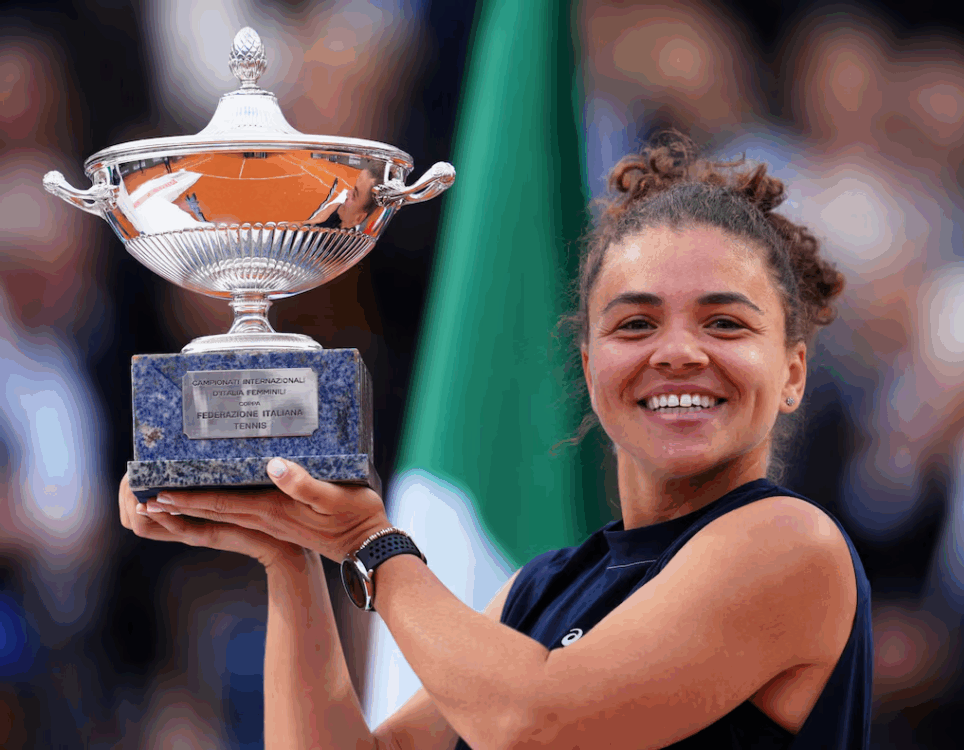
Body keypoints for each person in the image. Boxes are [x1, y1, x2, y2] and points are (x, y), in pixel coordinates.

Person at [119, 131, 871, 749]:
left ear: (794, 372)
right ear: (589, 365)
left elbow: (537, 723)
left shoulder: (790, 544)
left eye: (725, 323)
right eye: (635, 323)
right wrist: (286, 550)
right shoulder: (539, 589)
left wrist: (371, 543)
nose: (677, 352)